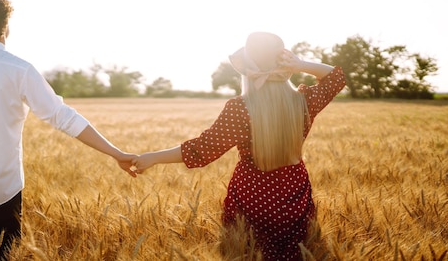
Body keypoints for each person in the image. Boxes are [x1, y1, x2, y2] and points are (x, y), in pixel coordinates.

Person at [0, 0, 137, 260]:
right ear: (6, 25)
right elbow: (63, 116)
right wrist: (116, 153)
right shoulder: (20, 69)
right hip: (1, 192)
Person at [133, 32, 346, 260]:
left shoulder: (240, 108)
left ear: (246, 69)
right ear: (285, 62)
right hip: (293, 190)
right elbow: (336, 78)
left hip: (251, 193)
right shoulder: (302, 102)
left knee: (245, 251)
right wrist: (301, 64)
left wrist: (153, 157)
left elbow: (202, 150)